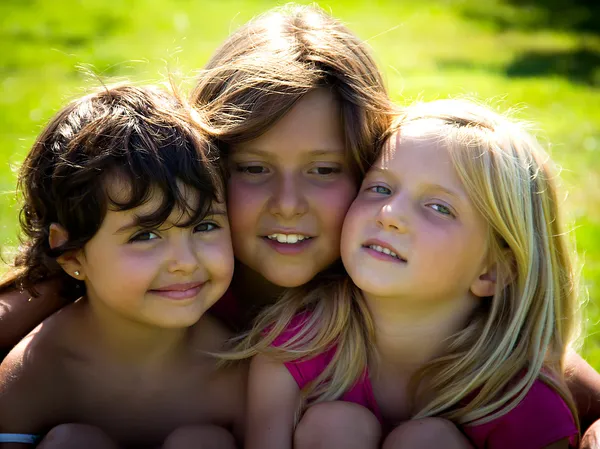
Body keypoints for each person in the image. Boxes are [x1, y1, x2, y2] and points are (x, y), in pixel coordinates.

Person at [1, 3, 600, 445]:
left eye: (324, 170)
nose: (288, 204)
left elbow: (540, 368)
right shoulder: (158, 273)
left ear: (368, 170)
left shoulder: (390, 273)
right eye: (254, 168)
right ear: (205, 170)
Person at [235, 99, 581, 449]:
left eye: (438, 207)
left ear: (493, 271)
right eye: (380, 188)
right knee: (335, 424)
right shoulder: (293, 349)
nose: (389, 213)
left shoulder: (522, 403)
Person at [0, 85, 245, 448]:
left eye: (204, 226)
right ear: (71, 255)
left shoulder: (236, 369)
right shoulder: (37, 372)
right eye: (145, 236)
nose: (185, 262)